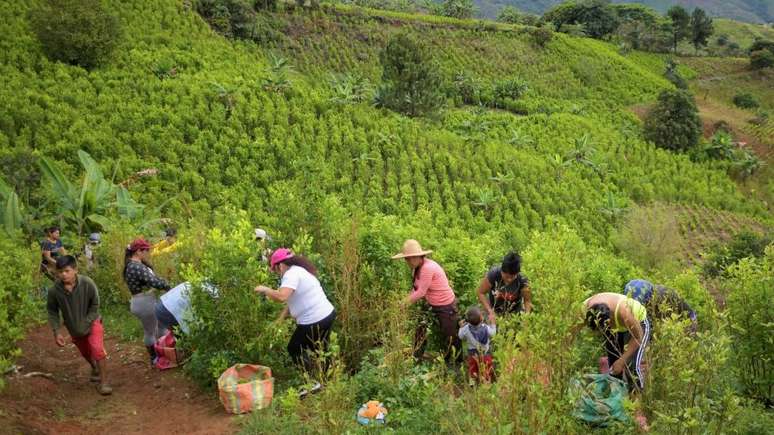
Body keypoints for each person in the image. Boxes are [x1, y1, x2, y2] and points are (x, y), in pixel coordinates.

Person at [254, 248, 336, 396]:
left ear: (279, 266)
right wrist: (280, 319)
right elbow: (292, 299)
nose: (278, 273)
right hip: (326, 314)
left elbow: (281, 297)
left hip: (314, 319)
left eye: (276, 270)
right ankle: (328, 382)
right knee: (320, 348)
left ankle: (312, 383)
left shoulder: (290, 274)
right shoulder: (299, 270)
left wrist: (265, 289)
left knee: (294, 348)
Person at [47, 255, 112, 395]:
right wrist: (57, 331)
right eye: (60, 272)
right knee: (86, 352)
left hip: (93, 321)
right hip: (74, 329)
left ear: (75, 270)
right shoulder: (54, 291)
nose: (63, 275)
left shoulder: (87, 283)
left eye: (67, 271)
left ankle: (104, 382)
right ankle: (94, 367)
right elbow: (52, 311)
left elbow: (95, 304)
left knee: (97, 349)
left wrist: (87, 321)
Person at [392, 239, 462, 364]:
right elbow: (416, 289)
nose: (407, 261)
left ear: (418, 256)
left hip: (445, 304)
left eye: (409, 258)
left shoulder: (427, 268)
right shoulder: (416, 269)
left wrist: (402, 304)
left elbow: (420, 293)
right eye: (406, 259)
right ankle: (416, 356)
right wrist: (405, 300)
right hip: (431, 303)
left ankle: (456, 363)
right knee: (420, 328)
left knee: (450, 335)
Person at [581, 292, 650, 391]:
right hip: (615, 324)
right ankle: (617, 396)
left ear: (610, 320)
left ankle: (636, 399)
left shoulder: (624, 313)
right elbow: (568, 335)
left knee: (633, 366)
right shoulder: (584, 309)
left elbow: (638, 337)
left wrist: (622, 360)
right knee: (613, 364)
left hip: (638, 324)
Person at [124, 238, 171, 365]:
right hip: (143, 302)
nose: (147, 253)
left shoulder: (134, 264)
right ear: (138, 251)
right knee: (150, 331)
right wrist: (168, 285)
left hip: (144, 300)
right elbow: (153, 281)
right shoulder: (136, 266)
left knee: (161, 325)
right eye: (145, 250)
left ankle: (164, 352)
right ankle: (154, 358)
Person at [623, 279, 698, 332]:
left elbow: (690, 315)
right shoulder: (629, 299)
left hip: (681, 324)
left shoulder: (667, 295)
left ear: (650, 297)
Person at [476, 252, 532, 322]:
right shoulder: (494, 274)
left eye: (512, 277)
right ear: (501, 271)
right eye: (506, 276)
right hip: (495, 311)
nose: (509, 280)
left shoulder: (522, 280)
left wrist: (526, 318)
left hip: (515, 314)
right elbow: (480, 292)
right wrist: (490, 311)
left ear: (517, 273)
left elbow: (527, 300)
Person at [458, 306, 496, 384]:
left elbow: (460, 336)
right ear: (481, 319)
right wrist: (493, 323)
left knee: (473, 367)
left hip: (472, 354)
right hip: (485, 353)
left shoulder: (465, 329)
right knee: (487, 366)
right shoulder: (486, 328)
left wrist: (461, 327)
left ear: (467, 321)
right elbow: (493, 334)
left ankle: (472, 382)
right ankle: (486, 380)